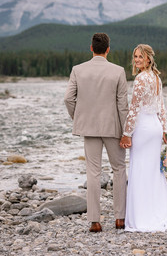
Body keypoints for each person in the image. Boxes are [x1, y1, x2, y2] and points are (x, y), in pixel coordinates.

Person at [120, 44, 167, 232]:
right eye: (135, 57)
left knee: (140, 170)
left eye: (140, 57)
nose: (137, 60)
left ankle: (142, 216)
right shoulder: (157, 78)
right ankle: (158, 211)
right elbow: (162, 108)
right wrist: (164, 131)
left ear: (149, 59)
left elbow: (134, 109)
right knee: (153, 172)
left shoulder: (141, 79)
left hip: (143, 128)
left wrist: (126, 133)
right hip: (155, 128)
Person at [64, 33, 128, 233]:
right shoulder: (118, 71)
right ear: (108, 49)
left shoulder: (78, 70)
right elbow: (122, 106)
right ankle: (120, 219)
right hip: (113, 128)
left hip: (89, 128)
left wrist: (79, 118)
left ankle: (94, 221)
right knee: (119, 169)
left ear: (91, 48)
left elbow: (68, 99)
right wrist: (126, 131)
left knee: (93, 172)